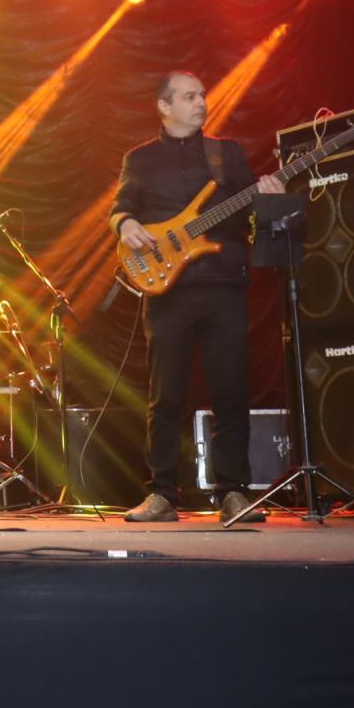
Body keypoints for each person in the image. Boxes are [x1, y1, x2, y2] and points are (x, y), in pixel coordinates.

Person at [111, 71, 283, 523]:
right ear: (164, 106)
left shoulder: (226, 154)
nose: (201, 103)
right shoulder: (140, 159)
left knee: (231, 391)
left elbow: (249, 211)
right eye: (189, 97)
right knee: (165, 395)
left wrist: (269, 198)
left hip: (224, 284)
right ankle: (162, 493)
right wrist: (126, 225)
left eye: (202, 95)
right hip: (167, 289)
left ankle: (233, 492)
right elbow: (121, 207)